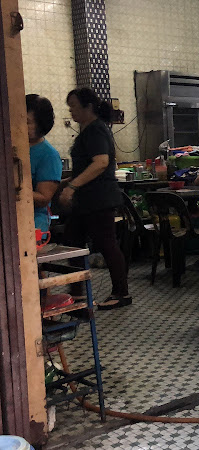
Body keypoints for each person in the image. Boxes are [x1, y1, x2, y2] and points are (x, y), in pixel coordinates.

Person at [59, 88, 131, 310]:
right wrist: (68, 182)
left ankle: (121, 293)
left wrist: (72, 185)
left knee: (107, 244)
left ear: (88, 107)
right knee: (73, 242)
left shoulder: (96, 130)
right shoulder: (89, 131)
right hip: (87, 200)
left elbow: (100, 163)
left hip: (98, 199)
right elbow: (88, 165)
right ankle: (77, 292)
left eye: (73, 106)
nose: (71, 111)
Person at [26, 94, 62, 232]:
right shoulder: (14, 148)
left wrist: (11, 192)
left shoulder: (49, 155)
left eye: (27, 122)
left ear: (40, 125)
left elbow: (43, 198)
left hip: (33, 226)